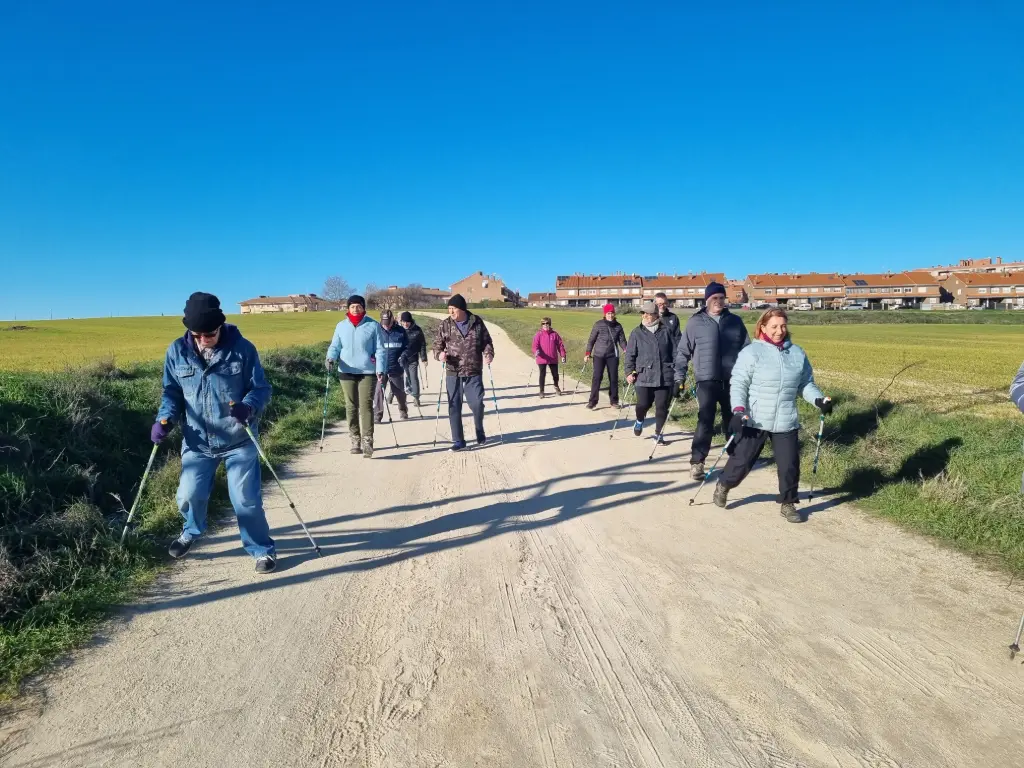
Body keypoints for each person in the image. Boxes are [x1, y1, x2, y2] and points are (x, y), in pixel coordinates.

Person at [152, 292, 277, 574]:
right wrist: (164, 418)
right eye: (196, 334)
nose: (203, 339)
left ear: (220, 326)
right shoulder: (176, 351)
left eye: (209, 334)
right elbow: (171, 391)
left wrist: (248, 407)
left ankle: (261, 550)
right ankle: (191, 531)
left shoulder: (243, 349)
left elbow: (261, 389)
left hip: (238, 439)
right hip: (198, 441)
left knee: (245, 500)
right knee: (187, 495)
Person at [713, 308, 832, 523]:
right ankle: (724, 484)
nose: (779, 331)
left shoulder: (797, 353)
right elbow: (739, 384)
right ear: (763, 327)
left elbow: (805, 384)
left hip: (786, 418)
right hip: (755, 418)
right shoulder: (751, 353)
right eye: (774, 326)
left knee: (789, 464)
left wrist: (818, 400)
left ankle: (788, 503)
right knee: (742, 462)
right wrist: (738, 410)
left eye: (783, 326)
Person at [674, 281, 751, 480]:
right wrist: (678, 378)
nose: (718, 301)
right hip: (706, 380)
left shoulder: (735, 321)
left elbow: (747, 350)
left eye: (721, 298)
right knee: (705, 420)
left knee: (733, 420)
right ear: (707, 300)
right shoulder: (695, 322)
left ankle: (735, 459)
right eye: (714, 298)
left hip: (732, 380)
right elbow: (683, 352)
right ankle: (697, 462)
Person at [433, 294, 495, 450]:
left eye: (453, 309)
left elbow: (487, 342)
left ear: (461, 309)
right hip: (453, 372)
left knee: (477, 404)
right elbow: (436, 346)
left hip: (473, 371)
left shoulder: (477, 322)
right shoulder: (445, 325)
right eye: (449, 309)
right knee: (454, 406)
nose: (451, 312)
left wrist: (488, 354)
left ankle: (479, 428)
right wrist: (439, 355)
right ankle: (458, 441)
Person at [326, 295, 385, 458]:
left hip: (368, 371)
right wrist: (330, 358)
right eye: (352, 306)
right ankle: (355, 440)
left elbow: (380, 349)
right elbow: (335, 346)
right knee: (351, 406)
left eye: (358, 306)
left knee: (366, 405)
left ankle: (367, 440)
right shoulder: (341, 326)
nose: (355, 309)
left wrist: (380, 369)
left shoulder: (373, 326)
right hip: (346, 370)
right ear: (348, 308)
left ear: (364, 308)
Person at [624, 301, 676, 441]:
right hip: (643, 375)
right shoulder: (636, 333)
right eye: (643, 313)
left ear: (656, 315)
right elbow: (630, 355)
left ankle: (658, 434)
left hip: (664, 375)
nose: (646, 316)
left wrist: (677, 369)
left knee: (662, 407)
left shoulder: (666, 331)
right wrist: (629, 372)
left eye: (649, 314)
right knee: (643, 404)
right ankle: (640, 420)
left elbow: (675, 352)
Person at [584, 303, 628, 410]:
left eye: (612, 313)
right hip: (599, 355)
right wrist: (587, 353)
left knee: (613, 378)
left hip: (612, 356)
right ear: (605, 314)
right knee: (597, 378)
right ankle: (592, 402)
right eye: (608, 313)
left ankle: (614, 401)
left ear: (614, 313)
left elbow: (622, 341)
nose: (610, 315)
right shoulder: (598, 324)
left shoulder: (618, 326)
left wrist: (626, 349)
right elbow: (591, 340)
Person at [374, 309, 409, 422]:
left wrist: (403, 356)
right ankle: (377, 415)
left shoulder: (401, 331)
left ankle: (403, 410)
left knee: (399, 393)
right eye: (384, 323)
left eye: (388, 323)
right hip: (381, 368)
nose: (386, 326)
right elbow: (370, 348)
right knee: (379, 392)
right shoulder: (376, 330)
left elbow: (407, 347)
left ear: (392, 320)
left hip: (396, 367)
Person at [531, 316, 568, 397]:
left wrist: (563, 355)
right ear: (541, 325)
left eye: (547, 323)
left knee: (555, 375)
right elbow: (535, 346)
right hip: (542, 358)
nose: (545, 325)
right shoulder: (538, 334)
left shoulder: (554, 334)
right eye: (543, 323)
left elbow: (560, 346)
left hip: (552, 358)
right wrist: (535, 351)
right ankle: (541, 391)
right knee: (542, 374)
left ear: (550, 324)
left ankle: (556, 386)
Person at [399, 311, 428, 407]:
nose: (405, 324)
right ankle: (392, 394)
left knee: (413, 378)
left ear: (411, 321)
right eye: (403, 322)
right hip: (400, 359)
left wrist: (424, 358)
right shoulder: (398, 330)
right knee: (398, 378)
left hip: (413, 358)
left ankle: (416, 398)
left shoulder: (417, 330)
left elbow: (422, 344)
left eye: (407, 322)